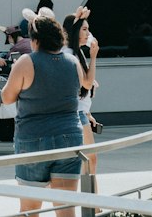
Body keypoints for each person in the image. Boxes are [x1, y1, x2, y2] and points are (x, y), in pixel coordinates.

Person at [2, 13, 96, 215]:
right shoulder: (72, 62)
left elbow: (7, 98)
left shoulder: (26, 62)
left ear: (35, 40)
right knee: (65, 208)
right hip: (70, 139)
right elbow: (83, 87)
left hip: (33, 140)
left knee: (29, 209)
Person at [64, 14, 98, 182]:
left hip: (79, 112)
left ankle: (93, 204)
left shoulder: (74, 52)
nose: (87, 33)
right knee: (89, 159)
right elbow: (87, 83)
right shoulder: (72, 54)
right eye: (84, 29)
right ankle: (92, 204)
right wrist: (93, 56)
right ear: (75, 31)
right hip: (76, 113)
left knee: (88, 159)